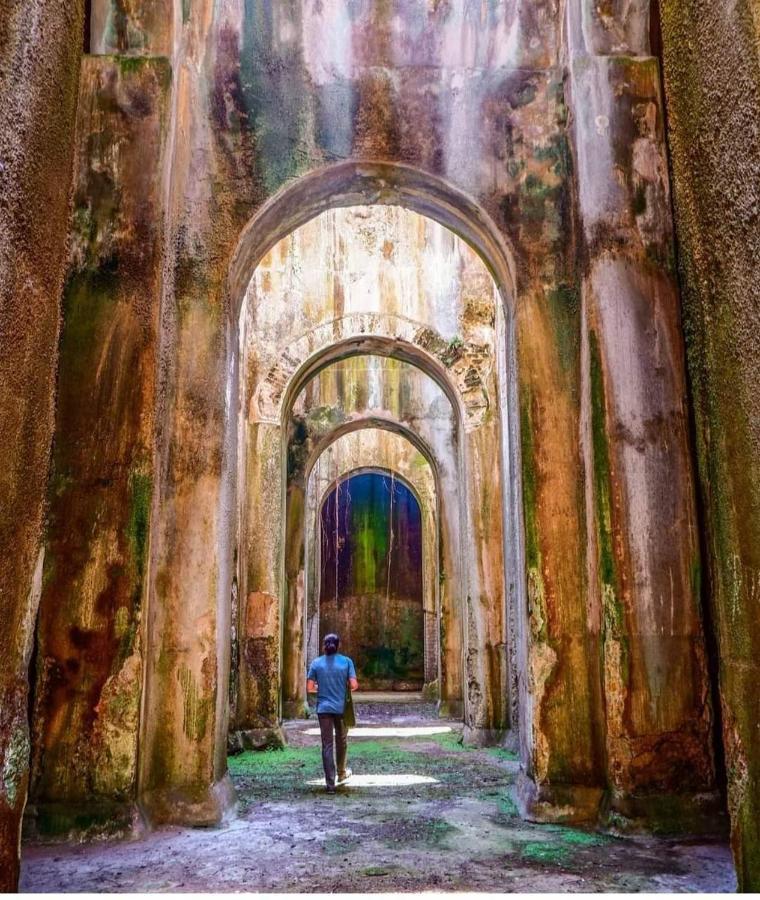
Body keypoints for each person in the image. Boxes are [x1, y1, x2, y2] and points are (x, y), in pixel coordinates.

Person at [306, 633, 359, 794]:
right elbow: (354, 685)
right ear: (338, 645)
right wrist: (341, 687)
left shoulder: (316, 663)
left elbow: (309, 688)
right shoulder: (346, 662)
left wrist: (321, 688)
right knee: (341, 740)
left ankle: (330, 784)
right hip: (341, 709)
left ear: (323, 645)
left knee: (327, 745)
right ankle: (341, 773)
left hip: (323, 709)